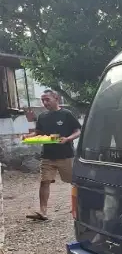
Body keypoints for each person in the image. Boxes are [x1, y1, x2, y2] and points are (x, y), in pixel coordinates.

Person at [26, 90, 81, 220]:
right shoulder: (42, 116)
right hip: (47, 155)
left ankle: (79, 207)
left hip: (66, 155)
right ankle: (43, 212)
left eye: (47, 99)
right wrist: (29, 136)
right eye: (42, 100)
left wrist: (68, 139)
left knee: (74, 182)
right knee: (44, 182)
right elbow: (38, 132)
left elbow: (78, 130)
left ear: (56, 98)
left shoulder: (66, 114)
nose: (45, 103)